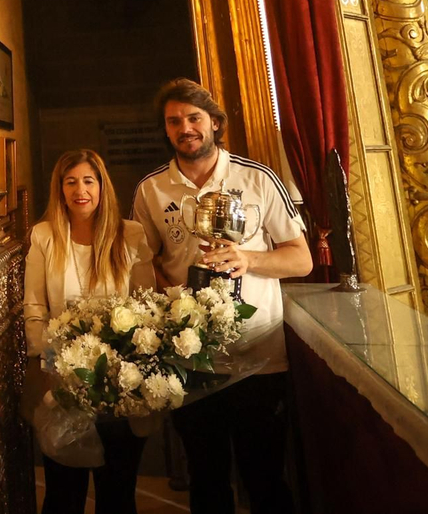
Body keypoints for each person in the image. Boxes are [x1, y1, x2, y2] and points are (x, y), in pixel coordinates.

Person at [129, 79, 312, 514]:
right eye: (174, 121)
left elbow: (301, 260)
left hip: (259, 354)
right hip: (191, 359)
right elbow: (143, 265)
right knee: (206, 480)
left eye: (194, 118)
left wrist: (248, 260)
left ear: (214, 123)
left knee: (265, 478)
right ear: (166, 130)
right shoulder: (151, 190)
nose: (185, 128)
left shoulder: (257, 178)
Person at [25, 149, 157, 514]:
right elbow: (35, 308)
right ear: (60, 189)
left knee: (117, 492)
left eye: (88, 181)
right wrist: (47, 366)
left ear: (102, 186)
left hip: (120, 382)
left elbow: (146, 307)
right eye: (70, 182)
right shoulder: (44, 236)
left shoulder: (130, 234)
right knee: (63, 494)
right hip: (63, 379)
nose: (79, 190)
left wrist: (130, 370)